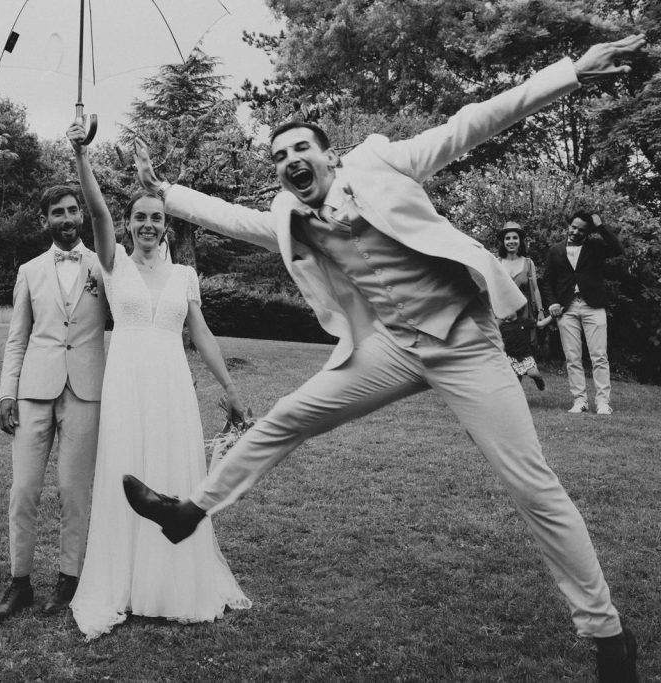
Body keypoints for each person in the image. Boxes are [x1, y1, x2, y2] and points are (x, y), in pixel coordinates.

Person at [123, 35, 645, 681]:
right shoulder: (289, 213)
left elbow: (475, 121)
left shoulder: (380, 163)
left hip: (465, 344)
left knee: (532, 486)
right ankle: (188, 511)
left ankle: (607, 634)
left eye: (301, 148)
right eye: (280, 154)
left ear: (328, 154)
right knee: (286, 416)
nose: (291, 159)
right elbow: (234, 219)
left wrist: (570, 71)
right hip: (394, 348)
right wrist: (164, 191)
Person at [64, 120, 251, 640]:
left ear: (165, 226)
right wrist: (82, 156)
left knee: (172, 474)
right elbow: (96, 209)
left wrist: (230, 389)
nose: (148, 224)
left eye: (155, 218)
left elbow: (203, 335)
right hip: (126, 385)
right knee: (126, 470)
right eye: (139, 217)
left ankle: (172, 583)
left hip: (171, 386)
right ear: (127, 225)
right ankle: (124, 583)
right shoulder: (112, 262)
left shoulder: (185, 277)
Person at [0, 185, 109, 625]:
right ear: (46, 220)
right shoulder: (30, 270)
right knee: (24, 491)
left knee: (74, 492)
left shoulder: (104, 265)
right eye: (57, 212)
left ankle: (69, 577)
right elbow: (17, 337)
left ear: (82, 215)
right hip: (32, 392)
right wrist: (6, 392)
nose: (66, 218)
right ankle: (19, 583)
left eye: (73, 210)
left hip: (86, 391)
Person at [541, 211, 624, 415]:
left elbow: (617, 248)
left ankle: (603, 402)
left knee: (599, 356)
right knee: (572, 357)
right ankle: (580, 401)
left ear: (587, 233)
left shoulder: (595, 248)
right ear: (569, 225)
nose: (576, 231)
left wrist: (601, 226)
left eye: (581, 229)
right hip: (566, 309)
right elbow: (547, 281)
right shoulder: (555, 250)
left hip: (593, 306)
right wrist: (552, 303)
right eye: (574, 227)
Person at [496, 223, 547, 389]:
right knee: (505, 348)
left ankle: (523, 382)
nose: (511, 241)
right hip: (503, 312)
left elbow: (535, 289)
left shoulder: (528, 263)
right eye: (508, 238)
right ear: (503, 241)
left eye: (515, 238)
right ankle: (512, 391)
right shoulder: (497, 262)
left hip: (524, 313)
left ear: (520, 241)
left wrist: (540, 311)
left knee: (522, 348)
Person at [499, 310, 553, 390]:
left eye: (508, 309)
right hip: (511, 358)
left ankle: (540, 382)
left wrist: (552, 315)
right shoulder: (502, 326)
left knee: (533, 373)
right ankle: (517, 398)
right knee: (515, 385)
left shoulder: (524, 321)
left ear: (515, 309)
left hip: (525, 356)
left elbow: (541, 324)